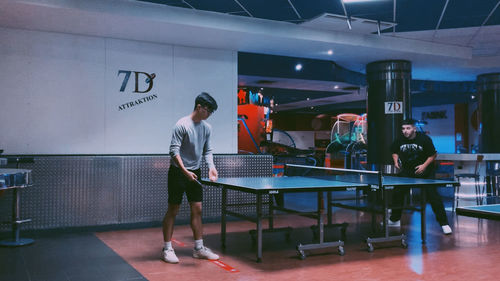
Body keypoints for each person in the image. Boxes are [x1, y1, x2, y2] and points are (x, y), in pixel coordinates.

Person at [161, 92, 220, 264]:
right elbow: (173, 151)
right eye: (208, 110)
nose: (209, 114)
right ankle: (167, 248)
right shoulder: (181, 124)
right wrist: (185, 171)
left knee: (198, 209)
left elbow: (207, 150)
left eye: (211, 112)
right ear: (199, 107)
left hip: (195, 172)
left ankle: (199, 248)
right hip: (178, 172)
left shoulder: (207, 128)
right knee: (173, 209)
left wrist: (211, 167)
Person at [388, 119, 452, 235]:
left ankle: (444, 224)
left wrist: (424, 166)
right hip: (407, 171)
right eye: (403, 129)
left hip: (425, 172)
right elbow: (394, 151)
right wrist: (396, 161)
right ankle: (394, 220)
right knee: (397, 192)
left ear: (414, 129)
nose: (405, 131)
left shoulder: (424, 139)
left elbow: (433, 155)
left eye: (408, 128)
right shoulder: (399, 139)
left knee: (433, 196)